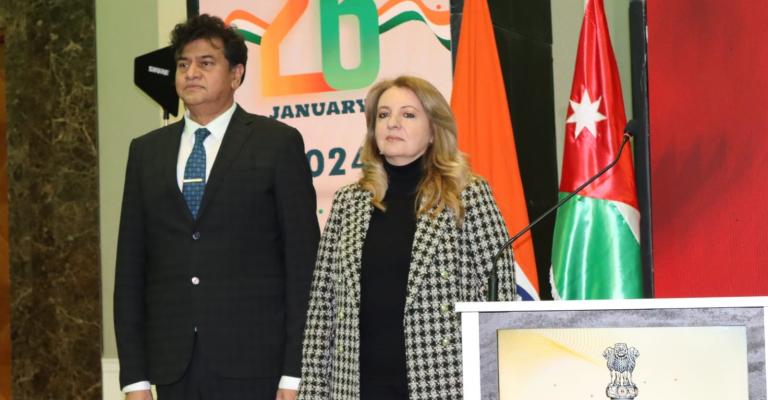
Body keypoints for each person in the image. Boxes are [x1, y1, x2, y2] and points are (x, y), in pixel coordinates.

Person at [113, 14, 320, 400]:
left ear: (236, 74)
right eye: (183, 64)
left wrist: (295, 373)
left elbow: (302, 267)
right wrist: (134, 379)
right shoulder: (146, 152)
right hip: (172, 366)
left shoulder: (277, 144)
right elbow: (130, 270)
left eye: (206, 63)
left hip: (256, 364)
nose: (191, 73)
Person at [297, 76, 515, 400]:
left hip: (442, 385)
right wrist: (313, 392)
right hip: (355, 386)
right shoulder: (348, 202)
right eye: (383, 115)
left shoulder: (467, 195)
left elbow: (501, 300)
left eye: (408, 115)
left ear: (434, 131)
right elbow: (322, 307)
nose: (392, 123)